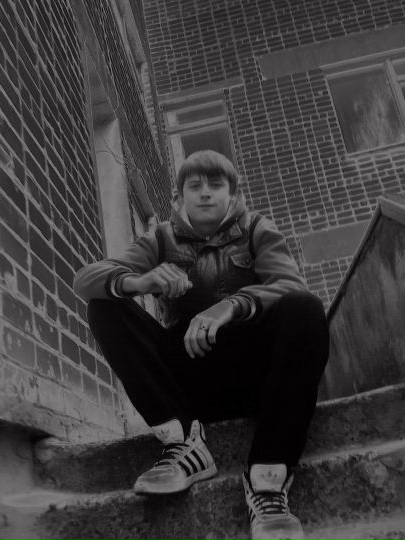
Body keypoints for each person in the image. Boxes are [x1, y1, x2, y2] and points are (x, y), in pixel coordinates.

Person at [73, 150, 329, 540]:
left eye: (215, 184)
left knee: (305, 307)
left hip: (257, 381)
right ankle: (184, 445)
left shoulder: (257, 229)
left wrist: (231, 305)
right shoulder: (161, 238)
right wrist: (139, 282)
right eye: (195, 185)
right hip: (189, 388)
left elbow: (290, 284)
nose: (205, 193)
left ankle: (268, 479)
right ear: (179, 198)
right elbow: (86, 279)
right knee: (105, 306)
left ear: (233, 194)